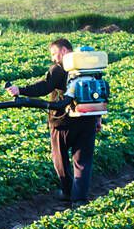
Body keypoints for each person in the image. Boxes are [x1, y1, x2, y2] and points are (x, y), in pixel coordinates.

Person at [5, 38, 102, 205]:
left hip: (62, 123)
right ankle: (79, 199)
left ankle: (67, 192)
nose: (53, 58)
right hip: (87, 120)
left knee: (60, 159)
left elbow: (43, 87)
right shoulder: (92, 69)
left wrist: (19, 90)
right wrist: (98, 119)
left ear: (64, 51)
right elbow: (99, 95)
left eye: (54, 53)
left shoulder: (59, 68)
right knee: (83, 162)